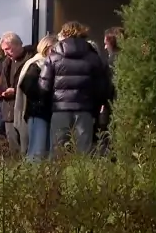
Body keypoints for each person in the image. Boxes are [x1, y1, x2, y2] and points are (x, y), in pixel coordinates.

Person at [39, 21, 110, 156]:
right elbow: (102, 87)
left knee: (58, 151)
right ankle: (81, 177)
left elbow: (44, 86)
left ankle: (57, 177)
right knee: (84, 152)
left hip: (60, 110)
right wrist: (95, 107)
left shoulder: (53, 56)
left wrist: (49, 105)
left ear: (63, 34)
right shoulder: (93, 56)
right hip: (84, 110)